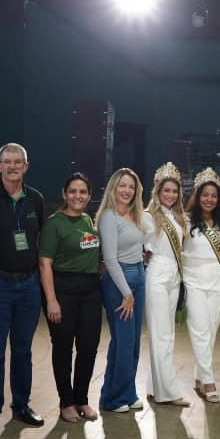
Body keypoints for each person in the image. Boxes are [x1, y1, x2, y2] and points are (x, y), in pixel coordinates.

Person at [0, 143, 45, 435]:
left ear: (26, 166)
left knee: (23, 350)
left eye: (18, 162)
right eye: (7, 161)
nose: (13, 166)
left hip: (28, 284)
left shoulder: (36, 199)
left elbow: (39, 238)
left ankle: (21, 405)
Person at [39, 173, 102, 423]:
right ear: (64, 194)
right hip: (62, 288)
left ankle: (82, 399)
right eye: (73, 191)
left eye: (83, 192)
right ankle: (66, 402)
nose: (78, 196)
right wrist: (51, 300)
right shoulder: (54, 224)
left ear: (89, 196)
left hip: (89, 291)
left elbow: (93, 256)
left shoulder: (88, 220)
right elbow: (45, 264)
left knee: (88, 347)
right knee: (64, 348)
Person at [97, 167, 148, 413]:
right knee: (124, 341)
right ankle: (113, 398)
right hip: (120, 281)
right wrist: (126, 292)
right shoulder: (109, 216)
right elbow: (109, 258)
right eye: (122, 185)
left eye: (131, 186)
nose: (127, 190)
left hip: (139, 274)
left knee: (133, 342)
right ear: (113, 188)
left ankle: (127, 393)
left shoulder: (135, 214)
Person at [183, 168, 220, 403]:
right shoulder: (186, 220)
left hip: (217, 281)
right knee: (200, 329)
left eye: (213, 195)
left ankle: (199, 375)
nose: (209, 199)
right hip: (193, 280)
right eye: (205, 195)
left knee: (211, 331)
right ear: (197, 195)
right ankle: (209, 379)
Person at [144, 163, 190, 407]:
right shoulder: (148, 217)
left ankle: (155, 386)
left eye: (174, 191)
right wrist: (144, 254)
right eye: (166, 191)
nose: (171, 195)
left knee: (167, 334)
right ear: (158, 192)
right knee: (161, 334)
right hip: (157, 276)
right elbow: (135, 243)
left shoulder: (179, 217)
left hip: (175, 276)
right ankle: (168, 392)